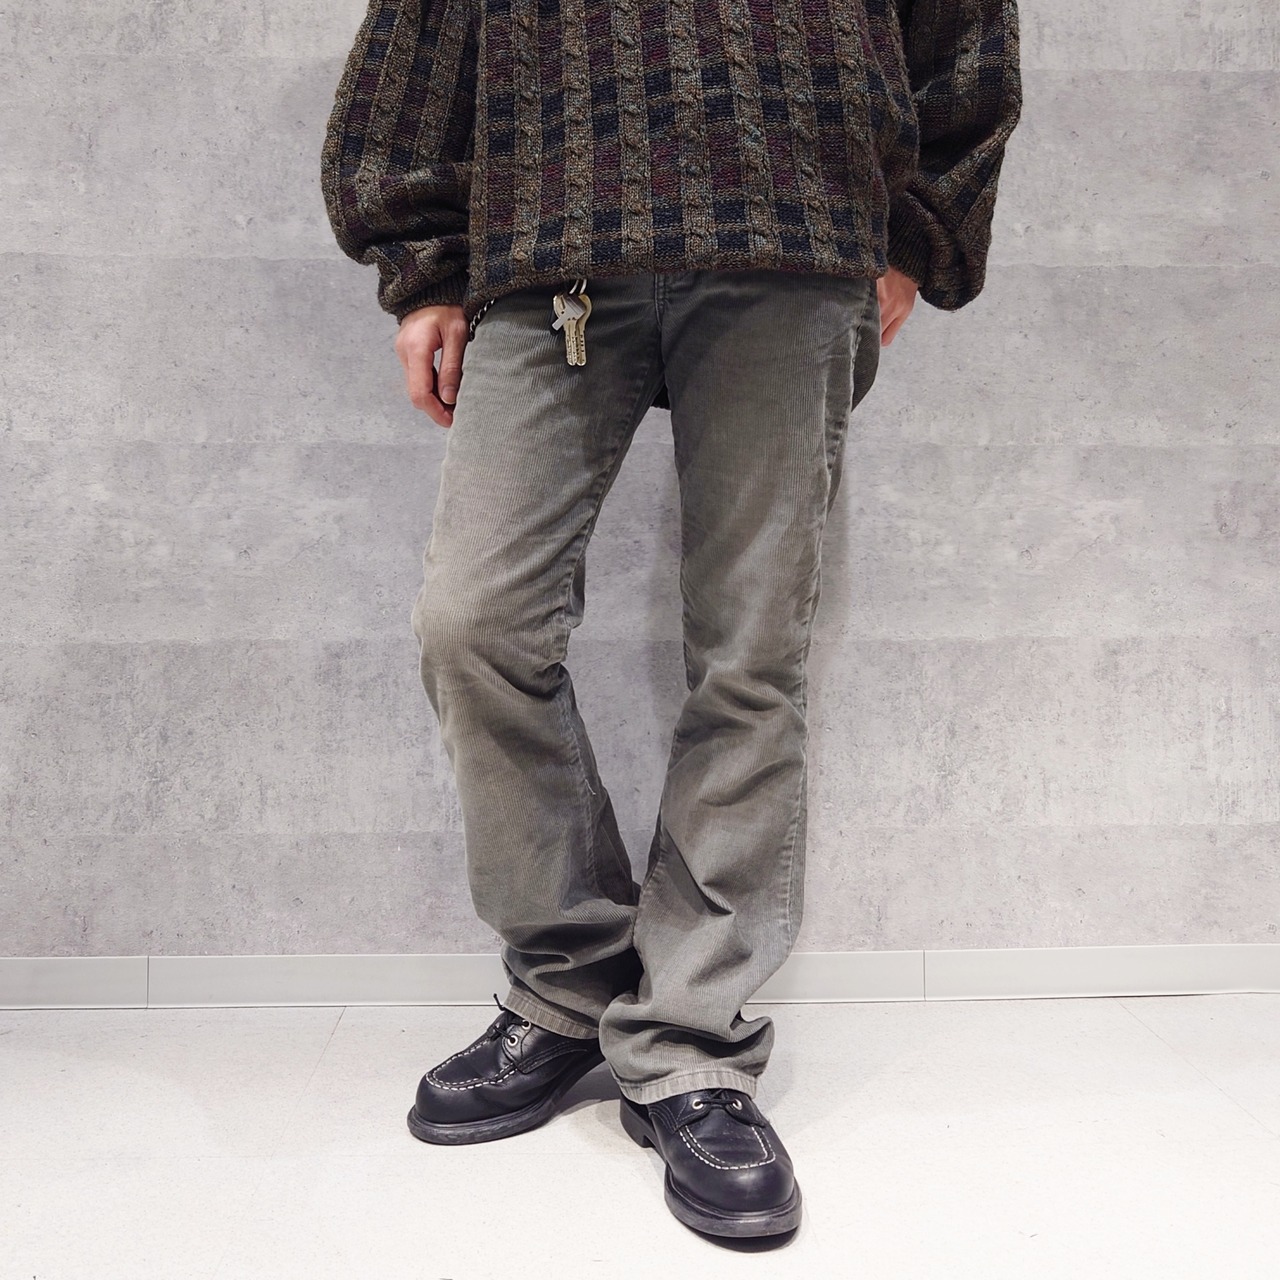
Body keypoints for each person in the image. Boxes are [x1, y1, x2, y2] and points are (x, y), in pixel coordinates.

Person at [321, 0, 1021, 1241]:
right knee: (474, 624)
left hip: (793, 236)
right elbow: (416, 44)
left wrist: (912, 235)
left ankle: (691, 1036)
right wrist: (422, 268)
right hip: (553, 248)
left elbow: (962, 35)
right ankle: (566, 983)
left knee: (750, 654)